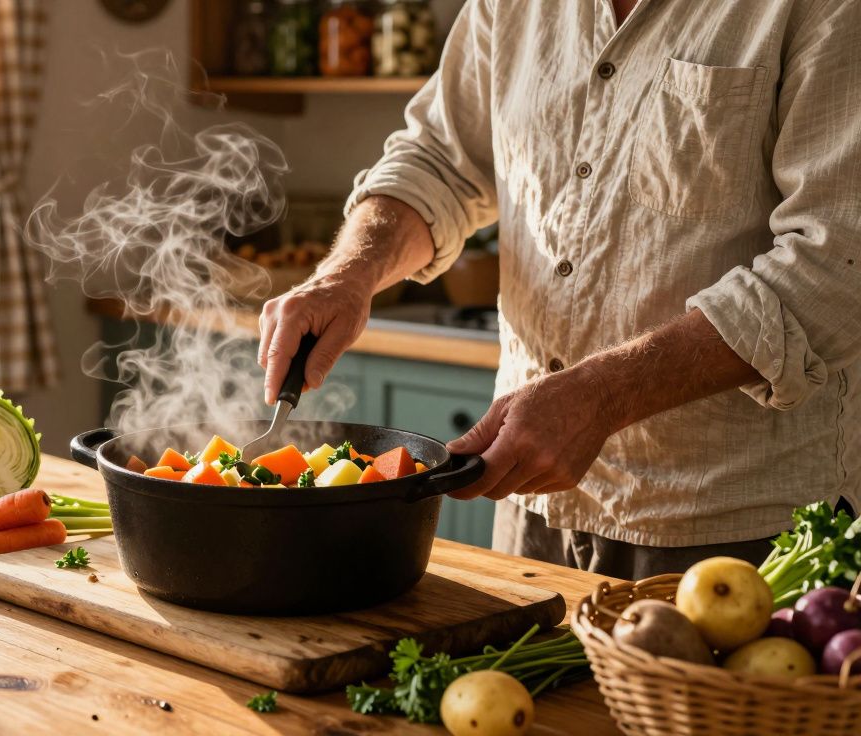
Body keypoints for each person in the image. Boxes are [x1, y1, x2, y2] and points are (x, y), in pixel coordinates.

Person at [257, 0, 861, 579]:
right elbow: (440, 159)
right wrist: (346, 275)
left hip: (737, 524)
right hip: (532, 509)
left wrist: (601, 396)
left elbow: (837, 265)